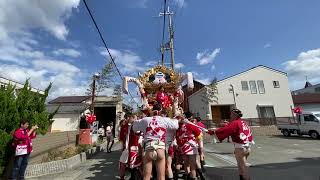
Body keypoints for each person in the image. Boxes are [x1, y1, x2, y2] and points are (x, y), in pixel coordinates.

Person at [132, 104, 179, 180]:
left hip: (149, 148)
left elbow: (134, 127)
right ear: (160, 111)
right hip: (160, 148)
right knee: (161, 177)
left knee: (146, 177)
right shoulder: (165, 119)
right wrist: (177, 116)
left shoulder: (145, 120)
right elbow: (176, 125)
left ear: (152, 110)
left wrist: (140, 132)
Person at [207, 109, 254, 180]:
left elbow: (226, 130)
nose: (230, 116)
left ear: (235, 115)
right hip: (247, 148)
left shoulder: (235, 123)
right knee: (241, 167)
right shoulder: (244, 122)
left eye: (231, 114)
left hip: (240, 148)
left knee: (244, 169)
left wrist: (214, 132)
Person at [176, 114, 203, 180]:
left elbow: (178, 138)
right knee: (192, 165)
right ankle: (193, 177)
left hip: (184, 146)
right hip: (190, 146)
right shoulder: (190, 125)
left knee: (187, 164)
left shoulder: (178, 127)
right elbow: (199, 135)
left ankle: (188, 176)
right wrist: (197, 144)